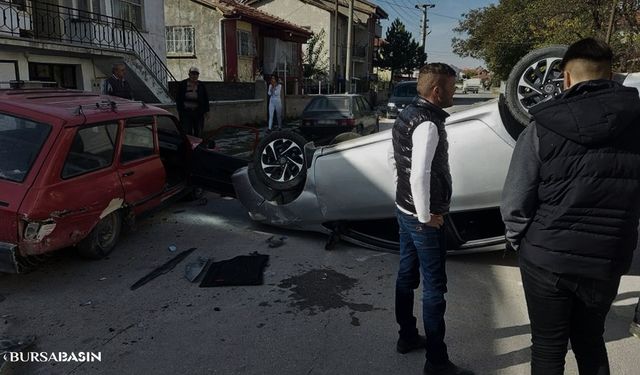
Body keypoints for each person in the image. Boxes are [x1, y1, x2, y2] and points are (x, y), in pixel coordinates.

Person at [501, 37, 640, 375]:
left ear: (565, 78)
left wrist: (522, 243)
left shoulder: (539, 128)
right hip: (605, 259)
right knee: (591, 341)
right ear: (611, 77)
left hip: (546, 258)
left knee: (548, 348)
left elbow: (516, 201)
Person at [388, 63, 474, 375]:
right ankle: (436, 362)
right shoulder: (427, 124)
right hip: (422, 216)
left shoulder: (407, 113)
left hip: (404, 209)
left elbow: (396, 160)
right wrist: (425, 216)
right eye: (452, 88)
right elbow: (420, 174)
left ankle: (407, 337)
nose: (455, 92)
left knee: (406, 275)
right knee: (434, 288)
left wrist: (404, 204)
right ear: (436, 91)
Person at [176, 67, 210, 137]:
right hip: (186, 112)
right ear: (189, 74)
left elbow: (205, 98)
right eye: (193, 74)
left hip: (198, 112)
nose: (194, 76)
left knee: (198, 131)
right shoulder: (183, 84)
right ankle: (189, 146)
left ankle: (198, 145)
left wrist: (206, 111)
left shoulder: (201, 85)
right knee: (187, 131)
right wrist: (180, 110)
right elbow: (178, 98)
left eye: (196, 74)